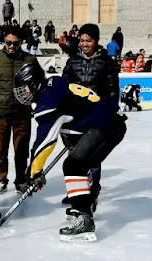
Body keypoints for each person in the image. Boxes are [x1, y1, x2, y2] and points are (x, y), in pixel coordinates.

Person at [13, 62, 127, 242]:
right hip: (107, 121)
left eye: (24, 89)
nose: (23, 94)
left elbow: (45, 141)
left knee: (74, 165)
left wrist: (34, 172)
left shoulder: (48, 101)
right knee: (79, 164)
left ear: (34, 84)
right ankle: (83, 208)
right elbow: (74, 114)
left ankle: (84, 220)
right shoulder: (54, 84)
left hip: (106, 125)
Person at [61, 23, 119, 205]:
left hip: (96, 115)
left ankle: (93, 190)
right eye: (82, 40)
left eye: (89, 40)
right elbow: (63, 87)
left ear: (96, 41)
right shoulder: (72, 61)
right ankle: (77, 192)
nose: (85, 44)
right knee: (75, 155)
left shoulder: (106, 62)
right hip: (75, 115)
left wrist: (109, 110)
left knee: (91, 154)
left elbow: (112, 90)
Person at [0, 27, 37, 195]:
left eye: (15, 43)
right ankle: (1, 179)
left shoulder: (30, 60)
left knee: (21, 151)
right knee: (0, 151)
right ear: (4, 42)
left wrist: (33, 94)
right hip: (1, 114)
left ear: (21, 43)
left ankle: (21, 180)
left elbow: (40, 82)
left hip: (22, 114)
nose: (12, 46)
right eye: (8, 43)